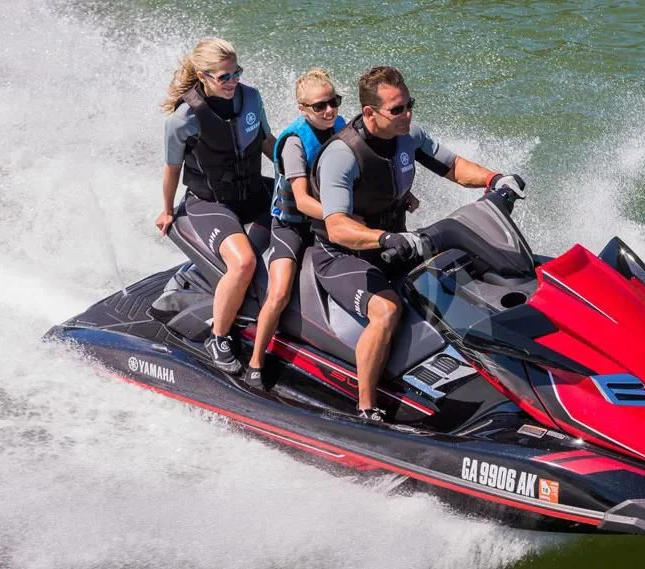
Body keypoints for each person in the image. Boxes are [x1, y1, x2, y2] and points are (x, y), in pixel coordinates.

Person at [309, 66, 526, 421]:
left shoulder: (408, 134)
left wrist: (495, 178)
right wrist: (385, 237)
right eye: (397, 109)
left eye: (410, 104)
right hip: (343, 256)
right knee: (386, 310)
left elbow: (454, 167)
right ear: (369, 113)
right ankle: (366, 408)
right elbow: (337, 228)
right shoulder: (342, 155)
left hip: (396, 246)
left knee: (459, 274)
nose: (407, 114)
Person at [157, 37, 276, 375]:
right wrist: (167, 209)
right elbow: (171, 169)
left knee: (315, 221)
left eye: (236, 72)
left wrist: (301, 174)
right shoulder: (182, 120)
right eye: (224, 76)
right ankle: (218, 336)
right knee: (244, 264)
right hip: (210, 203)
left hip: (253, 193)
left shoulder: (250, 98)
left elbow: (267, 142)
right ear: (203, 75)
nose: (233, 81)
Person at [243, 69, 346, 387]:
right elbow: (301, 201)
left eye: (334, 102)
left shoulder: (340, 127)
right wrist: (344, 217)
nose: (329, 111)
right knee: (280, 291)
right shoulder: (294, 143)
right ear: (303, 109)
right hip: (291, 225)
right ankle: (256, 362)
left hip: (325, 221)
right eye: (320, 106)